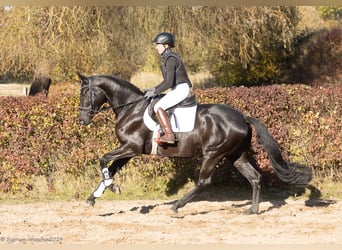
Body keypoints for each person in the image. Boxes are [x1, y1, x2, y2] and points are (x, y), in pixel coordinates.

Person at [144, 32, 192, 144]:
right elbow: (166, 82)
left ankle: (169, 135)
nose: (156, 48)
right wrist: (153, 89)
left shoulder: (171, 59)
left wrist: (155, 91)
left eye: (158, 45)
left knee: (158, 106)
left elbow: (169, 82)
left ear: (166, 45)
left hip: (181, 89)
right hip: (177, 89)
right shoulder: (167, 58)